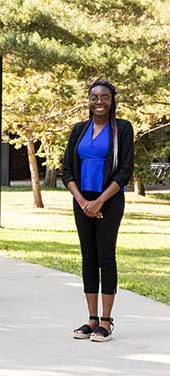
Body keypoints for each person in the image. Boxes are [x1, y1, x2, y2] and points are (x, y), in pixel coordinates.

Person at [63, 79, 134, 342]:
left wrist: (100, 201)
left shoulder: (122, 129)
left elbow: (125, 170)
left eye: (104, 97)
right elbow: (67, 169)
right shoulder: (79, 129)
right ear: (89, 100)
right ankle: (91, 319)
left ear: (112, 100)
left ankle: (107, 321)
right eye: (94, 97)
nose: (99, 101)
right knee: (87, 257)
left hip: (110, 200)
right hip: (82, 200)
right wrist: (83, 201)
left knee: (106, 257)